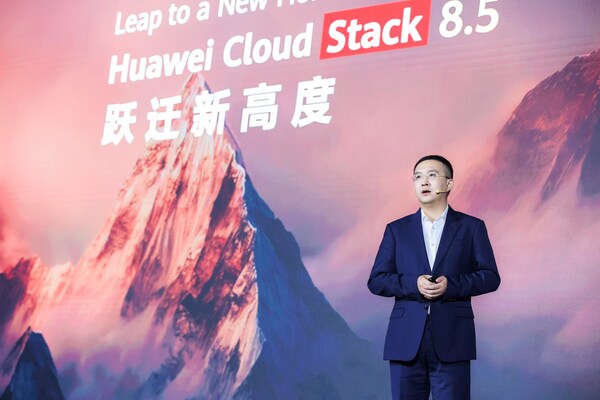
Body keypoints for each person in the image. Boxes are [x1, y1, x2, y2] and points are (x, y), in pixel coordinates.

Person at [367, 155, 500, 400]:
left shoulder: (472, 227)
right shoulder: (396, 229)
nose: (424, 182)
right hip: (405, 339)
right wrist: (413, 284)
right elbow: (376, 280)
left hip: (453, 338)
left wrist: (452, 286)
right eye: (418, 177)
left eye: (431, 175)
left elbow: (490, 277)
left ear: (448, 184)